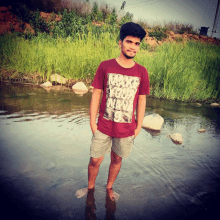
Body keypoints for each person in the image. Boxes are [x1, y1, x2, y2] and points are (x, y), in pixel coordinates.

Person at [76, 22, 150, 201]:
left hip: (126, 129)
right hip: (103, 126)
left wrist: (139, 126)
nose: (133, 47)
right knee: (95, 160)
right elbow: (96, 95)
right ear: (120, 42)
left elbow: (141, 100)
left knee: (117, 160)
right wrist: (92, 122)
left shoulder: (142, 72)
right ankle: (90, 189)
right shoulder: (105, 66)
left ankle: (109, 189)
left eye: (137, 43)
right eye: (129, 42)